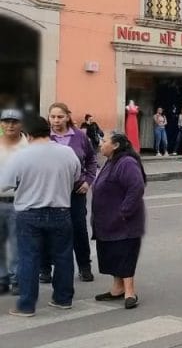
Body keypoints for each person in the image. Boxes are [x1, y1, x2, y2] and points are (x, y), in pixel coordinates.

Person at [0, 115, 80, 317]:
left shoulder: (21, 155)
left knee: (29, 259)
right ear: (48, 131)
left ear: (27, 134)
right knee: (63, 257)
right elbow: (76, 177)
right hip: (61, 211)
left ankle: (26, 305)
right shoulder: (67, 152)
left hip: (29, 213)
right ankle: (63, 299)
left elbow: (5, 184)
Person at [91, 133, 146, 309]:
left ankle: (129, 292)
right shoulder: (111, 161)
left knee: (124, 254)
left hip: (124, 222)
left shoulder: (126, 162)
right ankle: (117, 288)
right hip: (107, 221)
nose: (101, 144)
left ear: (115, 145)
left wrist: (124, 211)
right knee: (112, 253)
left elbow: (136, 187)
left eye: (104, 141)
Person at [47, 102, 97, 283]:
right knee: (49, 229)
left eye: (60, 117)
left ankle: (84, 266)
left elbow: (92, 160)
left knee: (78, 229)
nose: (56, 120)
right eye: (52, 117)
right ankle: (45, 267)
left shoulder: (79, 137)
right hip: (50, 192)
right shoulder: (44, 137)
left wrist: (88, 180)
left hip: (76, 191)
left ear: (67, 117)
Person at [0, 109, 28, 296]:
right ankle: (2, 279)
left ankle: (17, 278)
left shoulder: (29, 147)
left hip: (20, 202)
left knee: (19, 243)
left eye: (14, 122)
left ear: (21, 124)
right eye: (6, 121)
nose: (10, 125)